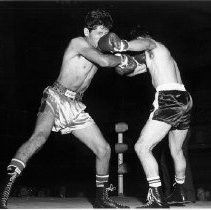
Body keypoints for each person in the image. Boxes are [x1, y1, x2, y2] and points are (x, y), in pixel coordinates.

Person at [0, 9, 139, 209]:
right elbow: (104, 62)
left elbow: (118, 66)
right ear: (86, 31)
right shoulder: (79, 43)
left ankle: (101, 198)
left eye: (106, 33)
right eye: (99, 32)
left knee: (104, 149)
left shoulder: (105, 50)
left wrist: (132, 62)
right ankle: (5, 187)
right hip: (56, 97)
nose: (103, 37)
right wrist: (125, 59)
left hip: (75, 105)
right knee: (38, 138)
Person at [99, 28, 193, 208]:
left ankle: (156, 196)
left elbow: (147, 43)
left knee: (142, 147)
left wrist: (123, 44)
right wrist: (123, 65)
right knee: (177, 151)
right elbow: (133, 70)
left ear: (142, 38)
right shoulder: (161, 57)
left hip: (169, 98)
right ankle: (179, 191)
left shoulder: (154, 45)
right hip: (185, 99)